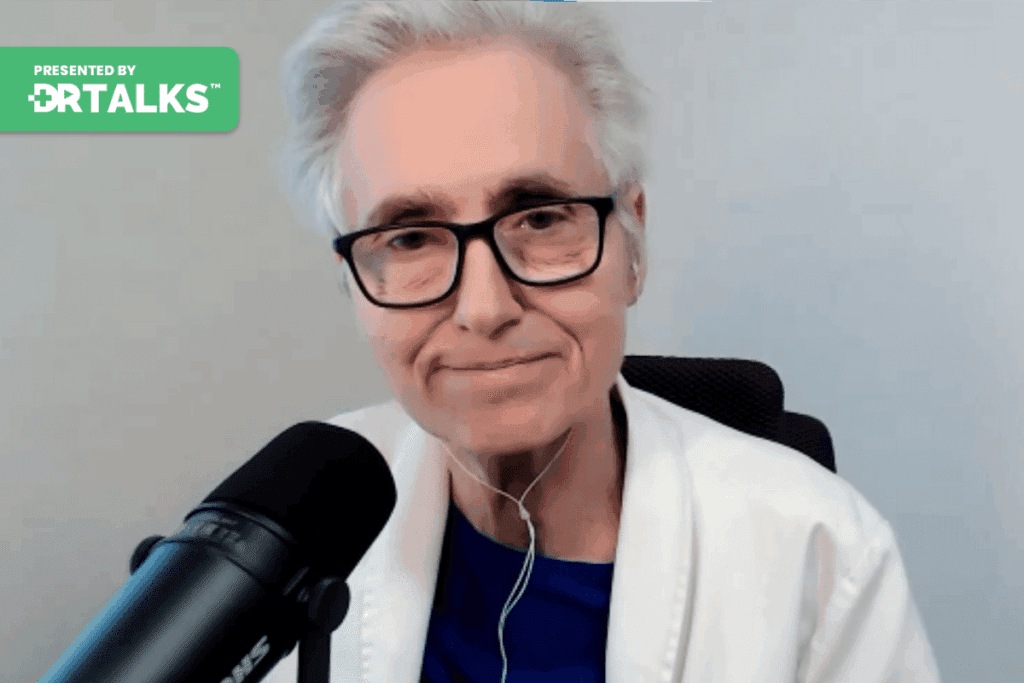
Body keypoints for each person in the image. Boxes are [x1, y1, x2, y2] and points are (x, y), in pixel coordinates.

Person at [267, 2, 942, 681]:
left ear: (632, 244)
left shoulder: (822, 556)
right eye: (411, 238)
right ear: (353, 279)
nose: (484, 307)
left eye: (540, 219)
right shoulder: (283, 520)